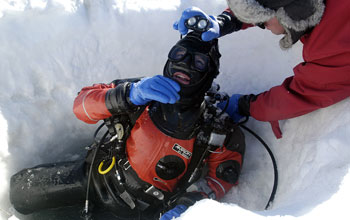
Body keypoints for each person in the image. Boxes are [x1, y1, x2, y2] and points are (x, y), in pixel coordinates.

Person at [10, 32, 246, 220]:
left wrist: (188, 204)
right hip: (98, 176)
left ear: (210, 72)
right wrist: (130, 94)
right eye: (180, 53)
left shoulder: (217, 128)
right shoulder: (144, 91)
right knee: (20, 191)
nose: (185, 64)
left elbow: (219, 180)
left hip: (142, 211)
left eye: (199, 61)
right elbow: (81, 106)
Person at [174, 0, 350, 138]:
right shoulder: (310, 7)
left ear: (290, 12)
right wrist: (227, 20)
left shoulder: (333, 44)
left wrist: (246, 105)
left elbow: (303, 94)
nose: (258, 23)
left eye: (260, 19)